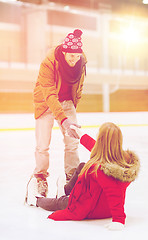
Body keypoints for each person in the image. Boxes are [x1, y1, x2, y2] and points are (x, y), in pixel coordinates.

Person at [26, 122, 140, 231]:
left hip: (91, 208)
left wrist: (119, 220)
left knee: (60, 203)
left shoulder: (102, 170)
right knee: (82, 166)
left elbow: (115, 193)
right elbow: (96, 148)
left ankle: (35, 200)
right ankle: (66, 190)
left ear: (101, 140)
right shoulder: (121, 158)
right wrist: (81, 135)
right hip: (103, 205)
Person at [25, 29, 87, 199]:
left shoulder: (81, 62)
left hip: (67, 102)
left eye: (77, 56)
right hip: (46, 103)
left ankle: (72, 178)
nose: (74, 59)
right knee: (43, 145)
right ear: (64, 51)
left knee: (72, 142)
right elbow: (50, 94)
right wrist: (64, 120)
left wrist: (72, 109)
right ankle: (40, 178)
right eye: (71, 56)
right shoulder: (49, 62)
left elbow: (79, 87)